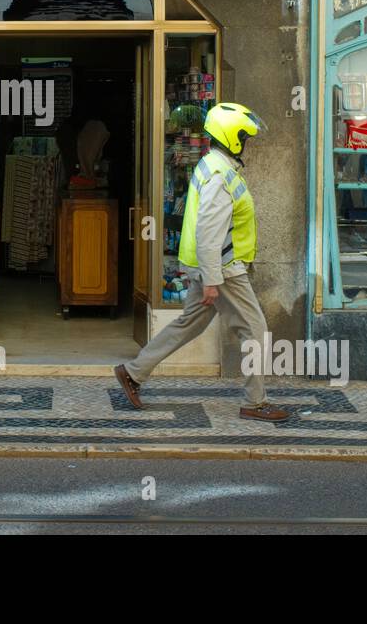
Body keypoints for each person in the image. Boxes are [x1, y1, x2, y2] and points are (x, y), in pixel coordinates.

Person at [115, 102, 290, 422]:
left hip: (208, 265)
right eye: (245, 137)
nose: (247, 143)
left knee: (188, 324)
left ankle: (133, 372)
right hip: (224, 268)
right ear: (232, 137)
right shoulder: (220, 175)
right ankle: (255, 401)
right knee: (256, 331)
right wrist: (212, 279)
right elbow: (209, 229)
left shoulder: (212, 165)